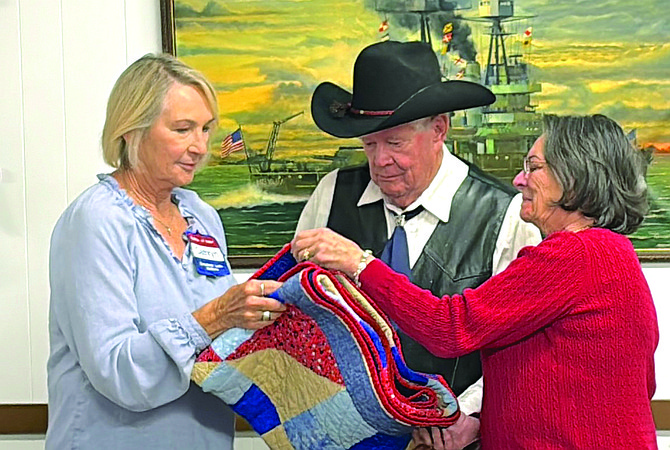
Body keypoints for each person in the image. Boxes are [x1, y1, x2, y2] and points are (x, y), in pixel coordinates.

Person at [292, 113, 659, 449]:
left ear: (575, 178)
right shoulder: (609, 253)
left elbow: (450, 326)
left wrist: (360, 263)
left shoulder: (574, 255)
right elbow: (642, 383)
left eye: (533, 167)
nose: (519, 180)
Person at [296, 40, 541, 447]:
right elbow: (302, 314)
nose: (380, 161)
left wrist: (471, 416)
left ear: (438, 130)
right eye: (369, 144)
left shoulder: (506, 216)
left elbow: (519, 350)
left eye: (395, 143)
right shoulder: (331, 194)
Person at [46, 54, 285, 449]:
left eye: (207, 129)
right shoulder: (96, 222)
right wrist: (213, 317)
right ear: (131, 130)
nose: (201, 146)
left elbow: (221, 352)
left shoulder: (201, 216)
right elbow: (119, 373)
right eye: (183, 129)